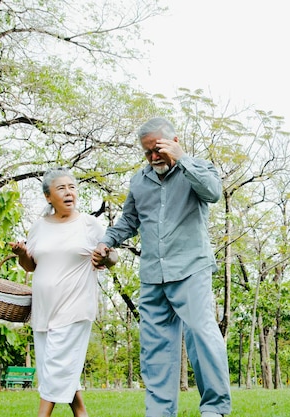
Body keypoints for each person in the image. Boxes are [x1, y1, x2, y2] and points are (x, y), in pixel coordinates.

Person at [92, 117, 231, 417]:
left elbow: (213, 193)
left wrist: (182, 160)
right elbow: (129, 220)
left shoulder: (199, 167)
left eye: (158, 149)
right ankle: (159, 411)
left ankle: (215, 409)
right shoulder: (139, 180)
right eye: (147, 152)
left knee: (201, 334)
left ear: (174, 142)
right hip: (153, 274)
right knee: (155, 348)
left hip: (191, 267)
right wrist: (107, 241)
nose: (153, 157)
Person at [10, 167, 110, 417]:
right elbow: (31, 266)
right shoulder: (39, 227)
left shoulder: (89, 224)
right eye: (61, 188)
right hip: (43, 310)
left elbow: (112, 255)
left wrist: (107, 257)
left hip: (74, 307)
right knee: (52, 368)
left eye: (72, 187)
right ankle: (81, 413)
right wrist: (22, 255)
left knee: (56, 366)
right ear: (48, 197)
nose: (68, 192)